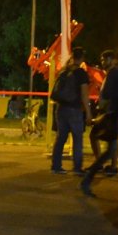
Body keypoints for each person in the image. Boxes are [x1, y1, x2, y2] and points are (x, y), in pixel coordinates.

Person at [81, 42, 118, 196]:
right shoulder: (117, 73)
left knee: (112, 150)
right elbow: (107, 94)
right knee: (115, 149)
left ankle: (90, 178)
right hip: (115, 115)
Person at [50, 46, 91, 174]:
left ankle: (56, 166)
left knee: (60, 138)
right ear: (82, 58)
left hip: (61, 108)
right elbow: (84, 94)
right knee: (77, 139)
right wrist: (88, 112)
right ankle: (77, 168)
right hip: (74, 109)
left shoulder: (63, 71)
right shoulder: (81, 73)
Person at [86, 49, 115, 165]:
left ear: (111, 59)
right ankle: (108, 165)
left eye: (104, 60)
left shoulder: (113, 74)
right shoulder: (108, 74)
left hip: (108, 111)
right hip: (105, 110)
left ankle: (104, 164)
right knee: (110, 139)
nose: (102, 62)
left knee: (100, 137)